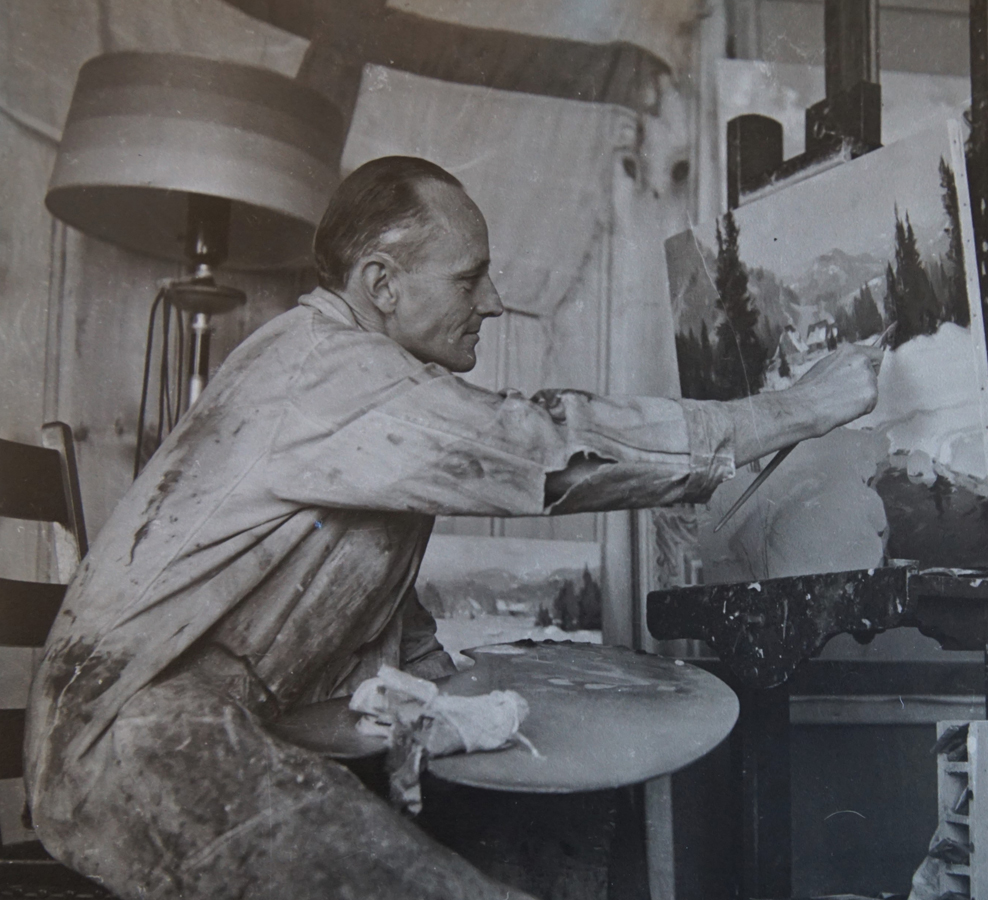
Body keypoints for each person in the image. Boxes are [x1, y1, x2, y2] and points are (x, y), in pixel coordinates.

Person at [24, 157, 880, 900]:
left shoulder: (374, 389)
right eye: (470, 279)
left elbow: (358, 600)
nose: (495, 302)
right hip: (134, 747)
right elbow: (550, 448)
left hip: (223, 727)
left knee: (541, 834)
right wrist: (794, 409)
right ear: (381, 283)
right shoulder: (327, 372)